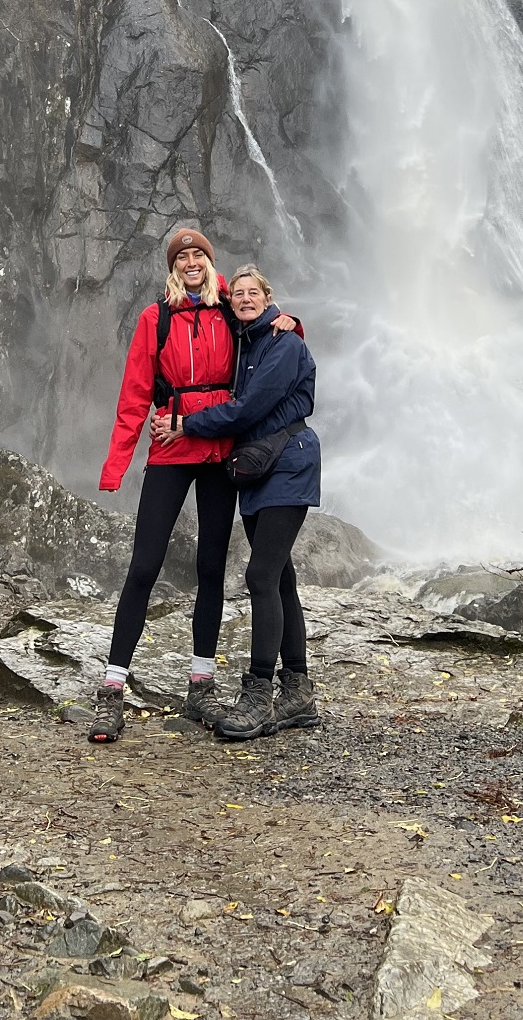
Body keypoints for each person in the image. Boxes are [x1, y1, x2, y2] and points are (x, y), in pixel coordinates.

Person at [88, 228, 242, 744]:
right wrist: (116, 467)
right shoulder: (155, 319)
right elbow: (135, 394)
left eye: (199, 254)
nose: (192, 261)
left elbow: (272, 337)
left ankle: (201, 684)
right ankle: (112, 690)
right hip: (172, 448)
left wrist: (292, 321)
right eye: (183, 256)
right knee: (144, 566)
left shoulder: (229, 310)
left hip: (219, 446)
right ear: (174, 266)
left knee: (211, 567)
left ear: (209, 262)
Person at [155, 263, 320, 741]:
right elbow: (204, 291)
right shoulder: (247, 342)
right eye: (238, 293)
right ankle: (298, 690)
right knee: (281, 577)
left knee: (261, 575)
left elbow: (247, 409)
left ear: (269, 299)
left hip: (288, 465)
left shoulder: (284, 343)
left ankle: (259, 695)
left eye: (255, 292)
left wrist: (185, 425)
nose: (245, 298)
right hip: (259, 469)